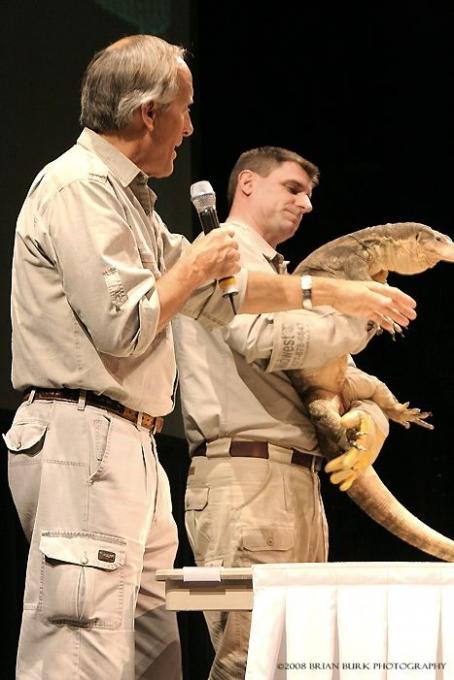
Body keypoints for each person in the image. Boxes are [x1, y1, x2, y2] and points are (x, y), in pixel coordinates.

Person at [4, 35, 416, 680]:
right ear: (148, 113)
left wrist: (328, 290)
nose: (190, 127)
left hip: (133, 440)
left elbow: (224, 298)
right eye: (185, 110)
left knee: (152, 653)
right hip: (82, 435)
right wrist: (197, 261)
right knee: (79, 650)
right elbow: (125, 324)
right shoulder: (76, 188)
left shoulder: (130, 199)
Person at [173, 146, 394, 679]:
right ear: (247, 184)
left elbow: (330, 375)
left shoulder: (278, 273)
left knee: (297, 662)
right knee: (249, 662)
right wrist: (361, 316)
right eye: (293, 189)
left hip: (294, 481)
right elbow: (261, 340)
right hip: (245, 479)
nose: (307, 204)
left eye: (310, 195)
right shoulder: (220, 255)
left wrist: (374, 416)